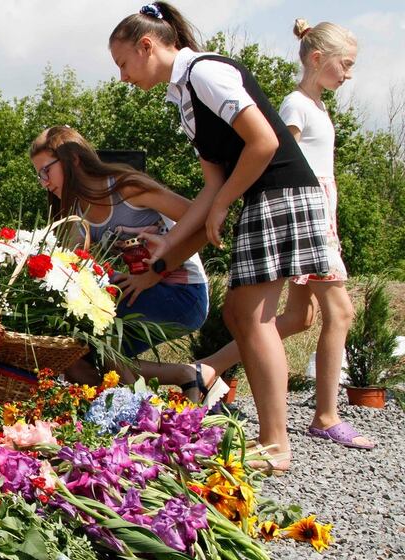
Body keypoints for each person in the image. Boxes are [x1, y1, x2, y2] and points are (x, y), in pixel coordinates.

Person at [108, 2, 333, 473]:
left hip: (280, 193)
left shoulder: (206, 73)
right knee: (241, 313)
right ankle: (273, 440)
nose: (124, 77)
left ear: (147, 46)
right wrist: (167, 251)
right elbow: (211, 184)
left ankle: (276, 445)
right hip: (263, 195)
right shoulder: (183, 98)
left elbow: (264, 142)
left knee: (251, 317)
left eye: (124, 63)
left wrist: (228, 202)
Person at [188, 20, 373, 449]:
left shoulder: (318, 106)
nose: (348, 75)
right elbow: (281, 162)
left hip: (321, 213)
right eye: (344, 65)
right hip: (301, 215)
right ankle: (325, 414)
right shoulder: (294, 105)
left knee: (299, 317)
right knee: (338, 312)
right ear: (316, 58)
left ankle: (209, 367)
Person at [29, 126, 222, 404]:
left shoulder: (126, 187)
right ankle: (179, 379)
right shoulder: (78, 211)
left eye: (46, 171)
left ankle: (139, 411)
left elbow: (206, 222)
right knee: (73, 353)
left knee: (98, 337)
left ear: (73, 159)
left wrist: (154, 274)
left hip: (183, 294)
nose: (44, 182)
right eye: (39, 176)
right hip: (142, 290)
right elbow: (70, 264)